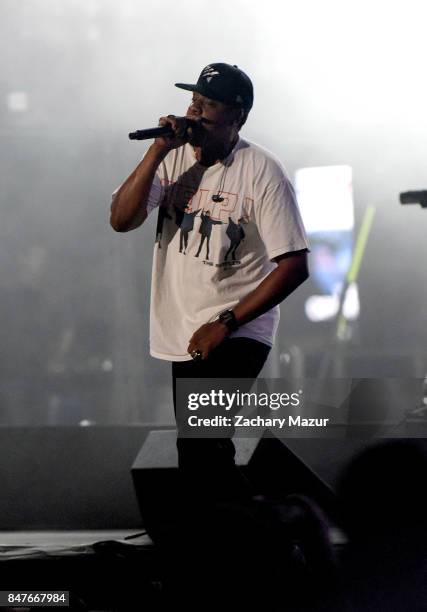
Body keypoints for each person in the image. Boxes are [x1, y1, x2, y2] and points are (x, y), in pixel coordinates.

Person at [110, 62, 309, 502]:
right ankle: (258, 538)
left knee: (200, 448)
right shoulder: (174, 157)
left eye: (209, 105)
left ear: (236, 116)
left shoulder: (262, 171)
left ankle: (264, 545)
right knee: (202, 453)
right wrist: (156, 152)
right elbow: (122, 220)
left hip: (237, 327)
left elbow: (294, 265)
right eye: (194, 101)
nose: (195, 113)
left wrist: (226, 322)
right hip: (184, 328)